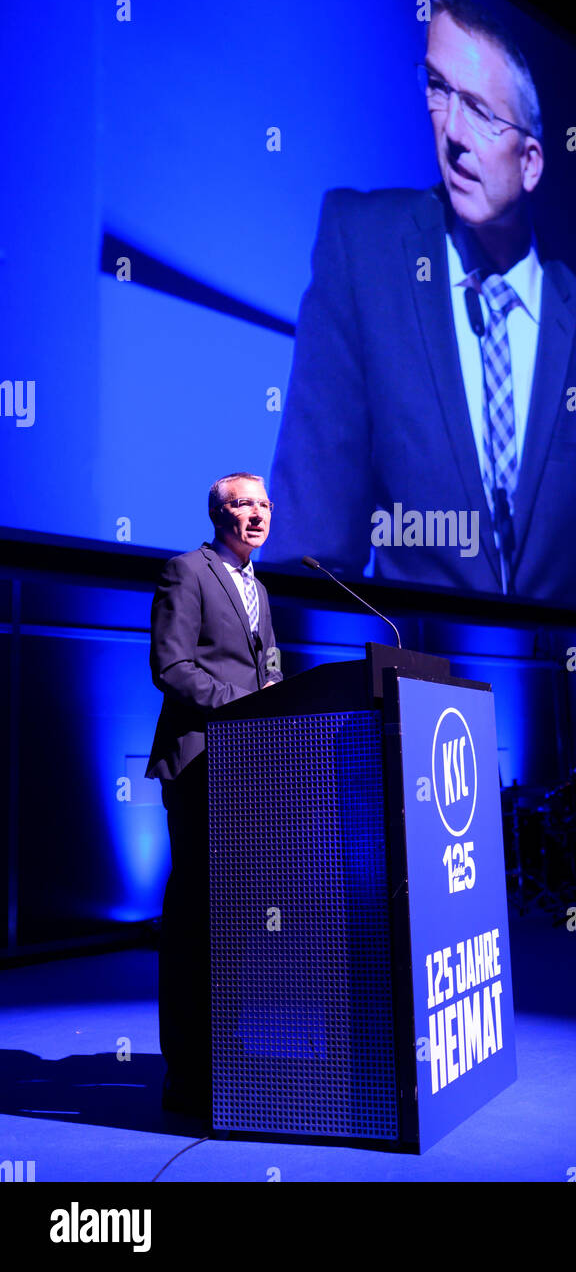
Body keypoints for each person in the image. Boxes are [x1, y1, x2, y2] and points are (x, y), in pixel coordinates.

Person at [265, 0, 576, 614]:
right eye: (440, 89)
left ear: (531, 163)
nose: (451, 132)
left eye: (478, 110)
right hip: (406, 697)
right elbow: (309, 558)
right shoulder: (363, 252)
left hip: (555, 702)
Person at [145, 472, 283, 1118]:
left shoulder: (259, 587)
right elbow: (170, 667)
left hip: (246, 776)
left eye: (261, 504)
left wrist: (277, 713)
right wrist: (244, 708)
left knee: (236, 922)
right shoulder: (186, 571)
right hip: (200, 766)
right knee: (195, 920)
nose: (254, 515)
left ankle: (224, 1048)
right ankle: (186, 1070)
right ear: (217, 514)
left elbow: (271, 673)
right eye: (240, 504)